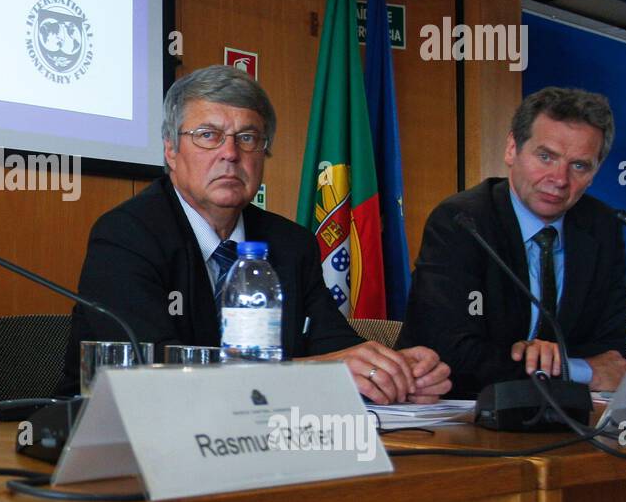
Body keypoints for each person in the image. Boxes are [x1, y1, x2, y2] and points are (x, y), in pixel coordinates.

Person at [61, 66, 451, 404]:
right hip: (122, 444)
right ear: (170, 150)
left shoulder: (291, 244)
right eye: (208, 135)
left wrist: (391, 371)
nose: (230, 153)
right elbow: (151, 371)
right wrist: (312, 372)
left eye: (248, 138)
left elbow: (334, 349)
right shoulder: (126, 235)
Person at [399, 86, 626, 397]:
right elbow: (452, 350)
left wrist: (589, 369)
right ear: (512, 148)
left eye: (579, 165)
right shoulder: (463, 221)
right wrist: (577, 369)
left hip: (571, 422)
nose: (560, 179)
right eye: (546, 156)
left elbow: (616, 353)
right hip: (465, 414)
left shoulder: (601, 226)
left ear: (594, 173)